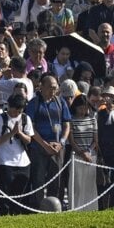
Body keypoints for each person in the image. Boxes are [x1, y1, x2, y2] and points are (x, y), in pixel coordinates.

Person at [26, 73, 70, 204]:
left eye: (55, 87)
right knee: (38, 180)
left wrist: (61, 143)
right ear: (41, 87)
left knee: (56, 180)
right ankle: (38, 207)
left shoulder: (60, 102)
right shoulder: (34, 103)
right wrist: (45, 145)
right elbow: (31, 128)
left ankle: (54, 206)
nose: (53, 90)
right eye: (50, 87)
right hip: (39, 147)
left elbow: (67, 124)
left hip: (57, 147)